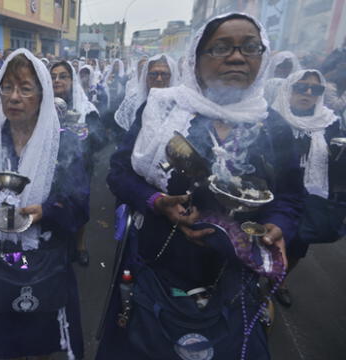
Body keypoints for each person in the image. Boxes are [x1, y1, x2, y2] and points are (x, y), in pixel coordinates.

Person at [96, 13, 304, 359]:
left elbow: (290, 198)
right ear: (196, 59)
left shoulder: (272, 126)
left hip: (235, 274)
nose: (237, 57)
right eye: (221, 48)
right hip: (156, 264)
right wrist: (157, 200)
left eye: (250, 47)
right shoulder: (162, 110)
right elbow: (119, 173)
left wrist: (278, 226)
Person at [0, 49, 89, 359]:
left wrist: (47, 211)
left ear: (41, 95)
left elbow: (80, 203)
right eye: (7, 87)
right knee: (3, 343)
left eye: (25, 88)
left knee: (43, 341)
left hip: (45, 260)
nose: (14, 97)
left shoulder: (62, 142)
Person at [271, 69, 345, 307]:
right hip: (276, 191)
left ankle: (278, 282)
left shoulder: (330, 122)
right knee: (265, 238)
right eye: (301, 87)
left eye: (316, 89)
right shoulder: (272, 118)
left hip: (311, 194)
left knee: (298, 244)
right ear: (288, 89)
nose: (308, 93)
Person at [50, 60, 105, 267]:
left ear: (71, 80)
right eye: (53, 76)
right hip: (51, 164)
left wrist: (84, 135)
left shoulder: (85, 107)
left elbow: (100, 139)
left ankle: (80, 245)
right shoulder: (42, 105)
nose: (57, 80)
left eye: (63, 76)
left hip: (79, 165)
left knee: (78, 202)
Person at [114, 54, 178, 132]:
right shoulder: (133, 101)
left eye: (164, 74)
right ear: (146, 77)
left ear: (172, 77)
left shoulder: (179, 105)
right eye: (153, 74)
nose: (159, 79)